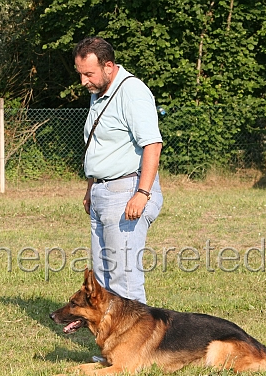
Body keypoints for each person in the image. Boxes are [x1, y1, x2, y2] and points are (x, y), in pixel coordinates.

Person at [74, 37, 163, 304]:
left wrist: (142, 193)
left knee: (124, 282)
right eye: (80, 74)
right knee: (102, 282)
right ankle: (111, 345)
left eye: (89, 74)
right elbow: (99, 146)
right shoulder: (98, 94)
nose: (83, 82)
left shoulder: (132, 92)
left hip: (126, 191)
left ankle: (138, 344)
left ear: (109, 66)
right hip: (103, 191)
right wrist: (92, 188)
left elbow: (153, 144)